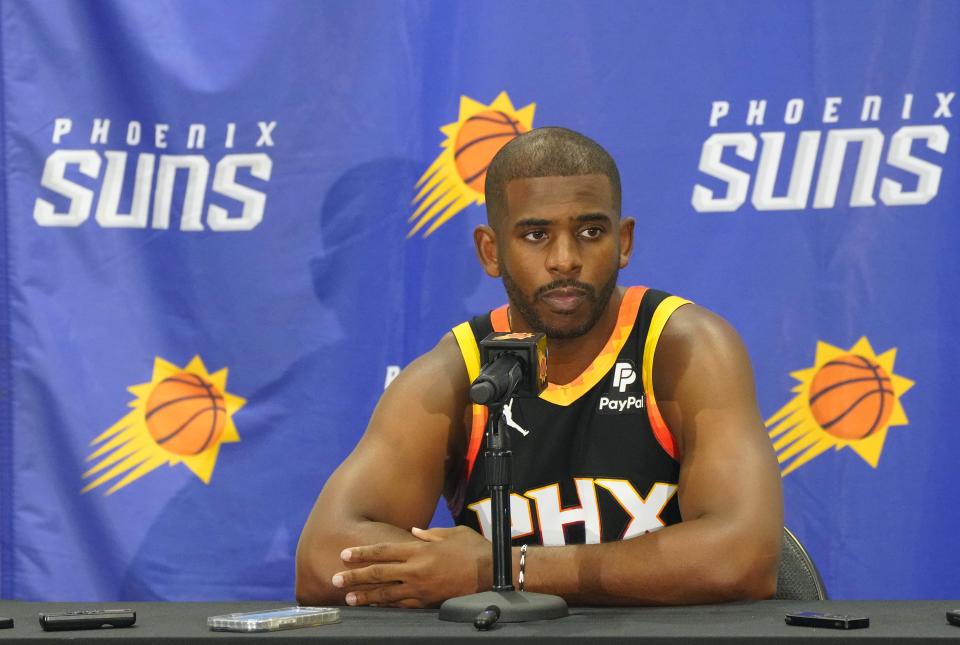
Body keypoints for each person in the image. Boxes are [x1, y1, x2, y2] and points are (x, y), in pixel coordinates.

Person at [295, 127, 783, 608]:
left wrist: (502, 570)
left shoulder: (684, 347)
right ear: (491, 250)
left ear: (625, 241)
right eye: (536, 235)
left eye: (591, 232)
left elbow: (745, 556)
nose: (565, 259)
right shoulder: (457, 371)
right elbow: (322, 561)